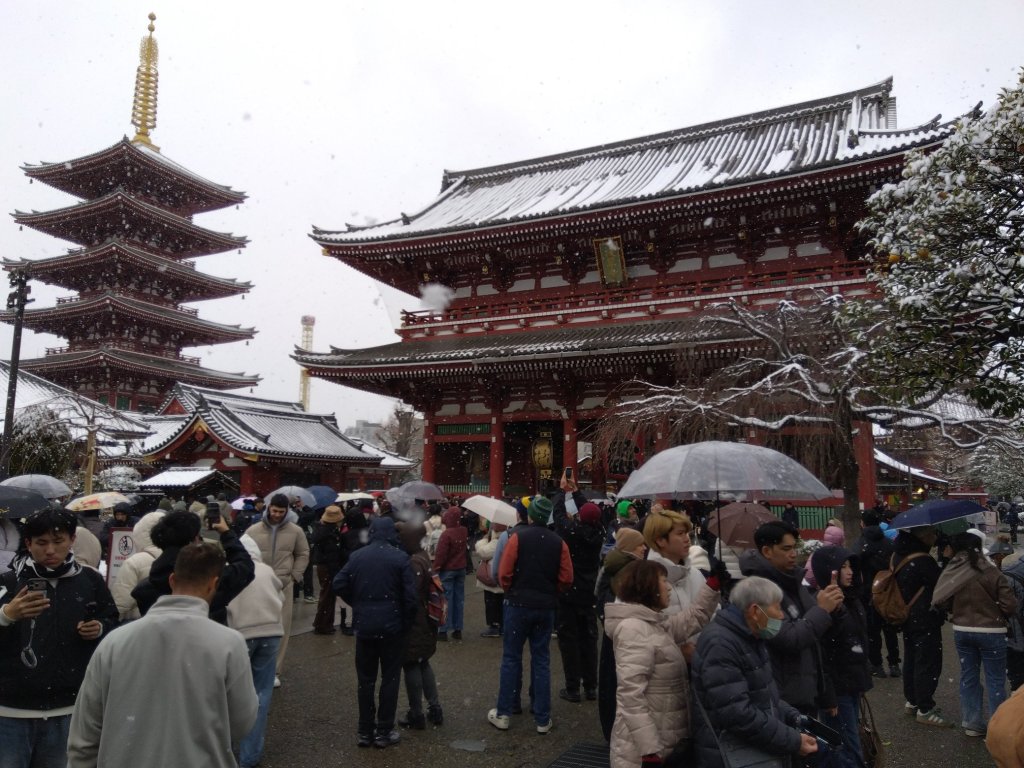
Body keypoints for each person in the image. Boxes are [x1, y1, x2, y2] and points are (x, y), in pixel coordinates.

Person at [67, 542, 258, 768]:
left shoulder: (116, 641)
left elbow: (87, 728)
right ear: (214, 584)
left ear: (172, 580)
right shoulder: (228, 643)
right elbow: (241, 723)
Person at [0, 509, 118, 768]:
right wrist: (6, 615)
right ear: (28, 543)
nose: (50, 550)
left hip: (69, 708)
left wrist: (99, 627)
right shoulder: (9, 582)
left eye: (58, 541)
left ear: (72, 540)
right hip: (10, 710)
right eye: (41, 543)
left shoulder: (90, 580)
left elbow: (113, 622)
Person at [691, 576, 818, 767]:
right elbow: (737, 713)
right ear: (755, 611)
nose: (782, 615)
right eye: (777, 607)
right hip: (732, 757)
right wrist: (792, 740)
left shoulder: (750, 638)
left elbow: (761, 693)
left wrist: (792, 715)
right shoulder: (721, 644)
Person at [605, 558, 719, 767]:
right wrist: (649, 751)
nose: (668, 587)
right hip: (646, 749)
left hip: (665, 737)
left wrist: (712, 585)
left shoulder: (654, 623)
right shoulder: (634, 629)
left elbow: (691, 619)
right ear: (647, 586)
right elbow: (631, 695)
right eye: (663, 580)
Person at [487, 495, 573, 735]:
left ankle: (504, 712)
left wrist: (512, 589)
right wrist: (551, 591)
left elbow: (503, 573)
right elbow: (567, 578)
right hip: (545, 606)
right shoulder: (559, 542)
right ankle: (542, 717)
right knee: (542, 659)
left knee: (511, 658)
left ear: (530, 514)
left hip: (517, 605)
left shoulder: (517, 538)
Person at [739, 520, 842, 716]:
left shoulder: (792, 580)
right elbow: (788, 637)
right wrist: (822, 610)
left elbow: (814, 634)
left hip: (805, 690)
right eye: (786, 549)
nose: (793, 554)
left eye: (794, 547)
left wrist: (833, 606)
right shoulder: (758, 590)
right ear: (767, 551)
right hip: (782, 697)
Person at [333, 516, 417, 749]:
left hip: (365, 625)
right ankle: (384, 730)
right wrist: (404, 620)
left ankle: (364, 730)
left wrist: (357, 602)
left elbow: (338, 583)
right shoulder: (400, 558)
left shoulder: (358, 556)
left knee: (366, 680)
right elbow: (411, 599)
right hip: (392, 626)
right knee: (390, 679)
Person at [932, 531, 1017, 737]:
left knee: (968, 676)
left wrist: (956, 608)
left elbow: (940, 599)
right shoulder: (990, 570)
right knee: (995, 679)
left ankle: (972, 722)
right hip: (992, 631)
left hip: (962, 630)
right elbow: (1010, 605)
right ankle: (997, 728)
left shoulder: (953, 570)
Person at [131, 507, 255, 625]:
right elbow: (245, 567)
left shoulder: (146, 588)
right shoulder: (209, 582)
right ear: (195, 540)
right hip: (208, 643)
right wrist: (226, 533)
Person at [809, 545, 872, 768]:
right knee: (846, 747)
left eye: (850, 566)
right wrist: (828, 695)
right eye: (842, 567)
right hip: (838, 689)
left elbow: (856, 644)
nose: (849, 571)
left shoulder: (851, 599)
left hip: (851, 683)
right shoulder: (825, 605)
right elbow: (821, 654)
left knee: (850, 742)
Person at [228, 535, 285, 768]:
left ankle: (227, 749)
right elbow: (280, 596)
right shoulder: (266, 570)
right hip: (271, 632)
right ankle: (250, 755)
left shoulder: (231, 571)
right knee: (261, 694)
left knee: (232, 694)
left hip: (240, 634)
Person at [245, 493, 310, 682]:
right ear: (268, 508)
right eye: (274, 510)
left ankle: (274, 670)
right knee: (254, 626)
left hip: (284, 584)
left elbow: (303, 553)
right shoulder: (252, 530)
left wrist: (295, 576)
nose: (277, 515)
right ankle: (252, 668)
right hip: (257, 584)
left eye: (281, 512)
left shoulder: (296, 531)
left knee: (281, 627)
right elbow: (244, 554)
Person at [552, 476, 605, 704]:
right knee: (590, 639)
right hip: (589, 592)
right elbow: (589, 511)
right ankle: (591, 686)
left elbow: (559, 515)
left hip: (569, 591)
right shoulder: (600, 532)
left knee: (569, 639)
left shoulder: (571, 533)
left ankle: (572, 687)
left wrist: (562, 492)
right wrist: (575, 492)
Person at [893, 525, 950, 726]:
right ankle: (925, 708)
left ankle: (912, 700)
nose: (935, 536)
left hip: (905, 616)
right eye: (932, 533)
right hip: (924, 617)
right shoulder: (923, 561)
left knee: (911, 658)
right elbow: (941, 586)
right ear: (922, 535)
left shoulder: (897, 556)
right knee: (927, 661)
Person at [595, 527, 648, 742]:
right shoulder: (630, 573)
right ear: (629, 549)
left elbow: (598, 598)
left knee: (611, 682)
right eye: (640, 544)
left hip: (612, 635)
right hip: (624, 636)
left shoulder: (610, 566)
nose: (644, 548)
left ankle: (610, 728)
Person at [396, 521, 443, 730]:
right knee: (423, 662)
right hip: (427, 618)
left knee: (411, 663)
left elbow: (411, 595)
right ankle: (435, 708)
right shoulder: (423, 556)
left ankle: (416, 713)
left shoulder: (414, 562)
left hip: (415, 621)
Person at [856, 507, 902, 678]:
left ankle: (877, 665)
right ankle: (894, 663)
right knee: (889, 629)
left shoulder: (861, 544)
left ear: (863, 523)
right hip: (887, 590)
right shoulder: (889, 543)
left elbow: (855, 568)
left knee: (872, 631)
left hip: (868, 592)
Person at [109, 510, 164, 621]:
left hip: (140, 622)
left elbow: (122, 603)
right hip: (174, 622)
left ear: (139, 534)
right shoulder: (183, 558)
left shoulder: (134, 562)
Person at [311, 505, 347, 634]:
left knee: (326, 595)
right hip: (328, 567)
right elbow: (332, 556)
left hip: (323, 566)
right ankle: (323, 625)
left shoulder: (321, 530)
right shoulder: (330, 534)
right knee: (327, 596)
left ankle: (323, 623)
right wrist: (335, 573)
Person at [433, 506, 467, 641]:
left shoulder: (446, 534)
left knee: (446, 600)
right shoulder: (463, 531)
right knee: (459, 599)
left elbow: (441, 555)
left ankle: (443, 630)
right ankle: (458, 629)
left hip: (448, 570)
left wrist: (436, 569)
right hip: (461, 568)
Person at [475, 520, 506, 638]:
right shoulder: (508, 537)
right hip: (501, 574)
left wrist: (482, 542)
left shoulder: (497, 541)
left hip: (491, 575)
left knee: (491, 602)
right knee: (501, 602)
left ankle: (494, 626)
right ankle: (502, 625)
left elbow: (483, 552)